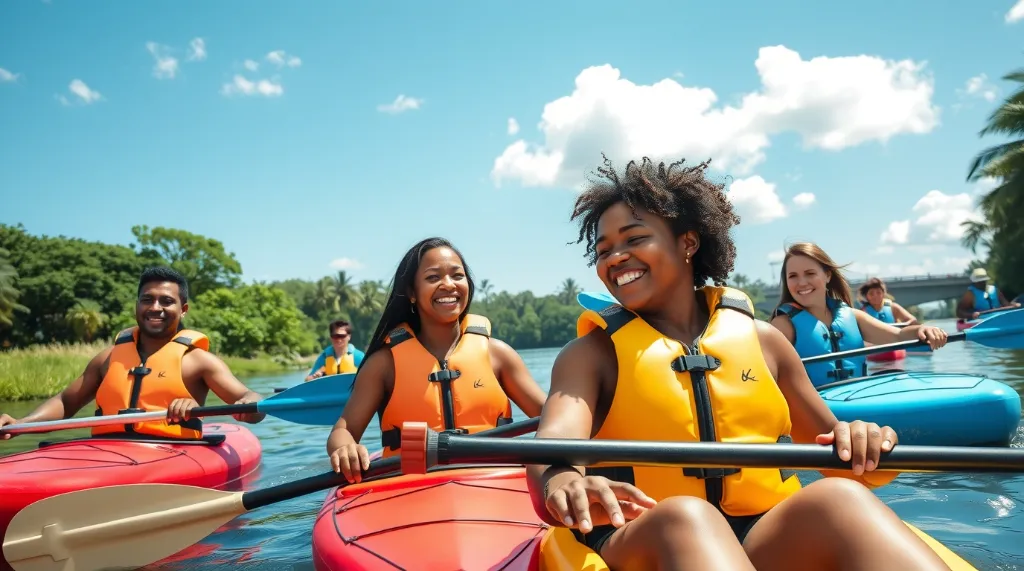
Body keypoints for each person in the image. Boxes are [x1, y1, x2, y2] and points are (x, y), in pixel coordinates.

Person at [525, 156, 952, 571]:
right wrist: (563, 481)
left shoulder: (765, 343)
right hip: (639, 535)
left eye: (635, 239)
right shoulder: (591, 354)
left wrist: (862, 438)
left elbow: (832, 446)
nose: (615, 258)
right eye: (604, 250)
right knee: (689, 517)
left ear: (688, 242)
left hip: (758, 532)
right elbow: (551, 449)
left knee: (841, 497)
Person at [325, 237, 548, 482]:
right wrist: (344, 448)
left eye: (457, 275)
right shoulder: (384, 364)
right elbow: (343, 430)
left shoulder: (498, 354)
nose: (448, 285)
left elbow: (555, 419)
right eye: (433, 278)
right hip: (410, 486)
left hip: (494, 480)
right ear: (411, 292)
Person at [0, 267, 265, 441]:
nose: (156, 307)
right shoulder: (107, 358)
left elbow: (251, 404)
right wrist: (20, 423)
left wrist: (246, 406)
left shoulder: (197, 361)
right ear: (137, 305)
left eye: (167, 301)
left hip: (175, 452)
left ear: (183, 309)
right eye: (147, 299)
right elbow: (66, 403)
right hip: (106, 452)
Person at [770, 243, 947, 387]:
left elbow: (898, 336)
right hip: (814, 412)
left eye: (810, 273)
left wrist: (922, 329)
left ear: (828, 276)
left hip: (856, 397)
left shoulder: (853, 316)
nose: (801, 282)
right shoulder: (783, 325)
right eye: (793, 276)